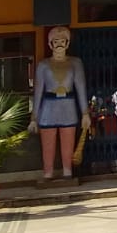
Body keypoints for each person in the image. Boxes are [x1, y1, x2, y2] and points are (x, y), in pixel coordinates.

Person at [30, 26, 91, 179]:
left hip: (68, 105)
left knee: (68, 142)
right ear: (50, 44)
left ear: (67, 43)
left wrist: (85, 113)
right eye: (55, 41)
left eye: (62, 41)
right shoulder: (43, 65)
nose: (59, 45)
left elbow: (81, 88)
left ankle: (67, 171)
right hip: (48, 106)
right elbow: (38, 92)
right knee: (48, 143)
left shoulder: (75, 63)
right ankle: (48, 172)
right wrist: (34, 118)